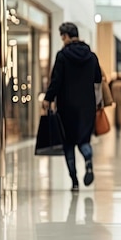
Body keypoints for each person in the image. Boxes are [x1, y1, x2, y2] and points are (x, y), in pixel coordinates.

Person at [42, 22, 102, 192]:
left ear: (66, 36)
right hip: (87, 106)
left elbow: (56, 81)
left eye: (62, 37)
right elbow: (98, 81)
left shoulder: (62, 56)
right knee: (84, 139)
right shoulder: (92, 56)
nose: (62, 40)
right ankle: (88, 161)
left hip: (66, 106)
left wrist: (48, 98)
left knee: (68, 143)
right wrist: (97, 103)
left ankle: (74, 182)